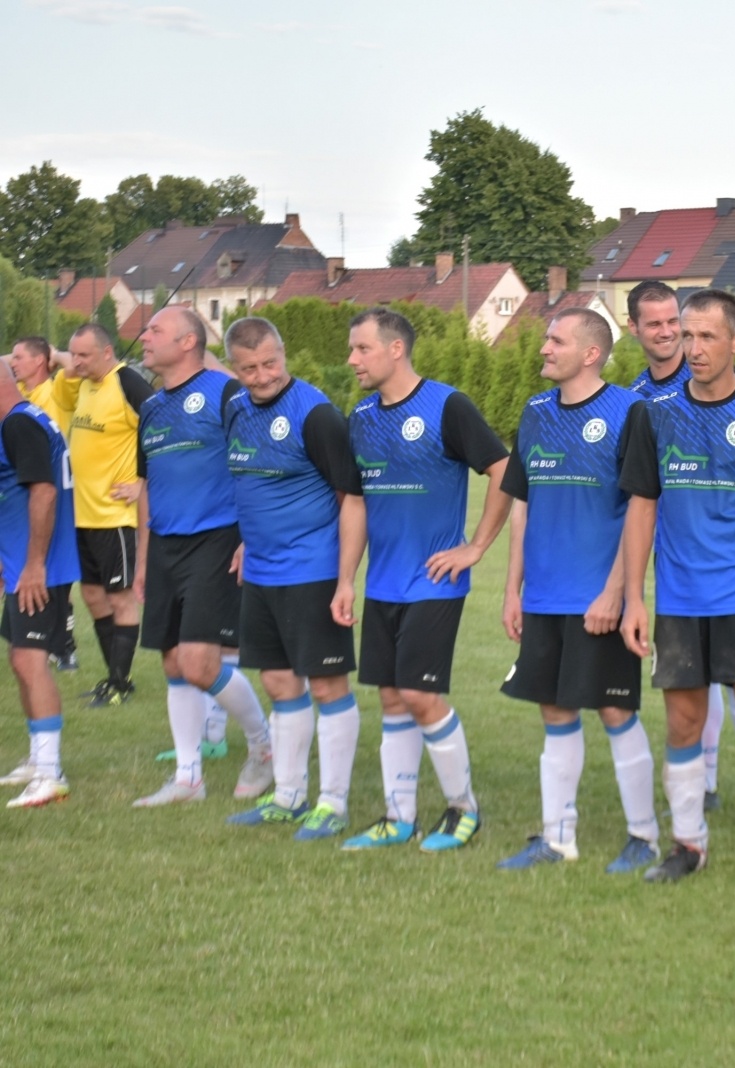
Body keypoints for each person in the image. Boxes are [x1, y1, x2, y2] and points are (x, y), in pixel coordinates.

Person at [619, 288, 735, 892]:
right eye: (687, 334)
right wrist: (633, 598)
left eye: (706, 336)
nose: (693, 347)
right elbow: (642, 508)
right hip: (680, 598)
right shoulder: (654, 414)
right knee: (682, 722)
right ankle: (688, 845)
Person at [337, 308, 510, 852]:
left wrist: (475, 546)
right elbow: (355, 502)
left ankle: (464, 808)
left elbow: (504, 470)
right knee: (392, 698)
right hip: (382, 582)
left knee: (419, 693)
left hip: (433, 580)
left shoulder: (447, 405)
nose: (352, 359)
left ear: (396, 350)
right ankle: (398, 818)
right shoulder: (361, 416)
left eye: (362, 348)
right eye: (351, 349)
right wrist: (346, 580)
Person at [497, 308, 661, 874]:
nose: (544, 348)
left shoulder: (629, 412)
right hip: (543, 596)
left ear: (591, 354)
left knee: (615, 710)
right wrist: (513, 589)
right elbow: (522, 506)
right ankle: (558, 837)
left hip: (597, 596)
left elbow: (641, 508)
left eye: (556, 340)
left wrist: (617, 592)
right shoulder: (536, 412)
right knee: (555, 710)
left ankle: (644, 836)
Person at [215, 318, 364, 840]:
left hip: (312, 570)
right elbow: (251, 483)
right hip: (260, 571)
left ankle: (334, 803)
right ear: (233, 367)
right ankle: (289, 796)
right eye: (248, 368)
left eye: (270, 363)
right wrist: (246, 541)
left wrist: (345, 579)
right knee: (279, 682)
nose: (262, 376)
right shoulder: (235, 408)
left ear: (283, 353)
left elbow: (352, 499)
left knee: (326, 683)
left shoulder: (316, 414)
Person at [130, 307, 274, 807]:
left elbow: (259, 464)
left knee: (198, 661)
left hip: (216, 538)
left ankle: (263, 744)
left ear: (188, 341)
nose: (144, 337)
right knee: (173, 661)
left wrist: (250, 536)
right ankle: (188, 778)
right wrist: (144, 557)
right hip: (165, 543)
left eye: (155, 330)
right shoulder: (151, 407)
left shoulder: (227, 393)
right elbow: (147, 486)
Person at [625, 279, 735, 820]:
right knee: (693, 681)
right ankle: (706, 783)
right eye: (654, 323)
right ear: (634, 328)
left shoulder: (715, 379)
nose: (668, 333)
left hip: (731, 562)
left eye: (673, 322)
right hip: (674, 562)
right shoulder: (635, 397)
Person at [53, 325, 153, 707]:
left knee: (120, 598)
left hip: (114, 517)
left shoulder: (128, 383)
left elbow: (161, 428)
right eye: (74, 354)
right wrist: (69, 362)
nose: (76, 362)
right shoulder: (81, 383)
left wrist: (142, 481)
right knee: (93, 596)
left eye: (84, 355)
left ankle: (119, 684)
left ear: (108, 352)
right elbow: (57, 362)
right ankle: (114, 678)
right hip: (82, 516)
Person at [0, 360, 79, 806]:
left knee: (31, 661)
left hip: (39, 569)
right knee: (20, 659)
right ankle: (36, 759)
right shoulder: (25, 419)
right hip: (21, 564)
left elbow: (44, 493)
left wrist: (34, 564)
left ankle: (50, 772)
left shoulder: (19, 424)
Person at [8, 336, 79, 673]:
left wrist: (55, 354)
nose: (12, 362)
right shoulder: (21, 398)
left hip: (52, 496)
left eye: (19, 356)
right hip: (28, 497)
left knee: (55, 580)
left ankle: (64, 648)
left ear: (39, 361)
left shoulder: (54, 391)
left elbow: (74, 367)